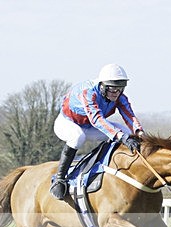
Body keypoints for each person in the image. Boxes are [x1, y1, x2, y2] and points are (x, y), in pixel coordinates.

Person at [49, 63, 145, 200]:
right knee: (77, 137)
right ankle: (59, 179)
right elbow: (97, 120)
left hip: (90, 127)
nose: (116, 93)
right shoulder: (88, 93)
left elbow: (129, 116)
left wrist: (140, 133)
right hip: (68, 123)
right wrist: (121, 137)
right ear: (103, 86)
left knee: (125, 132)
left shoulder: (119, 97)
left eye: (120, 89)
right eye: (112, 89)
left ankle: (108, 169)